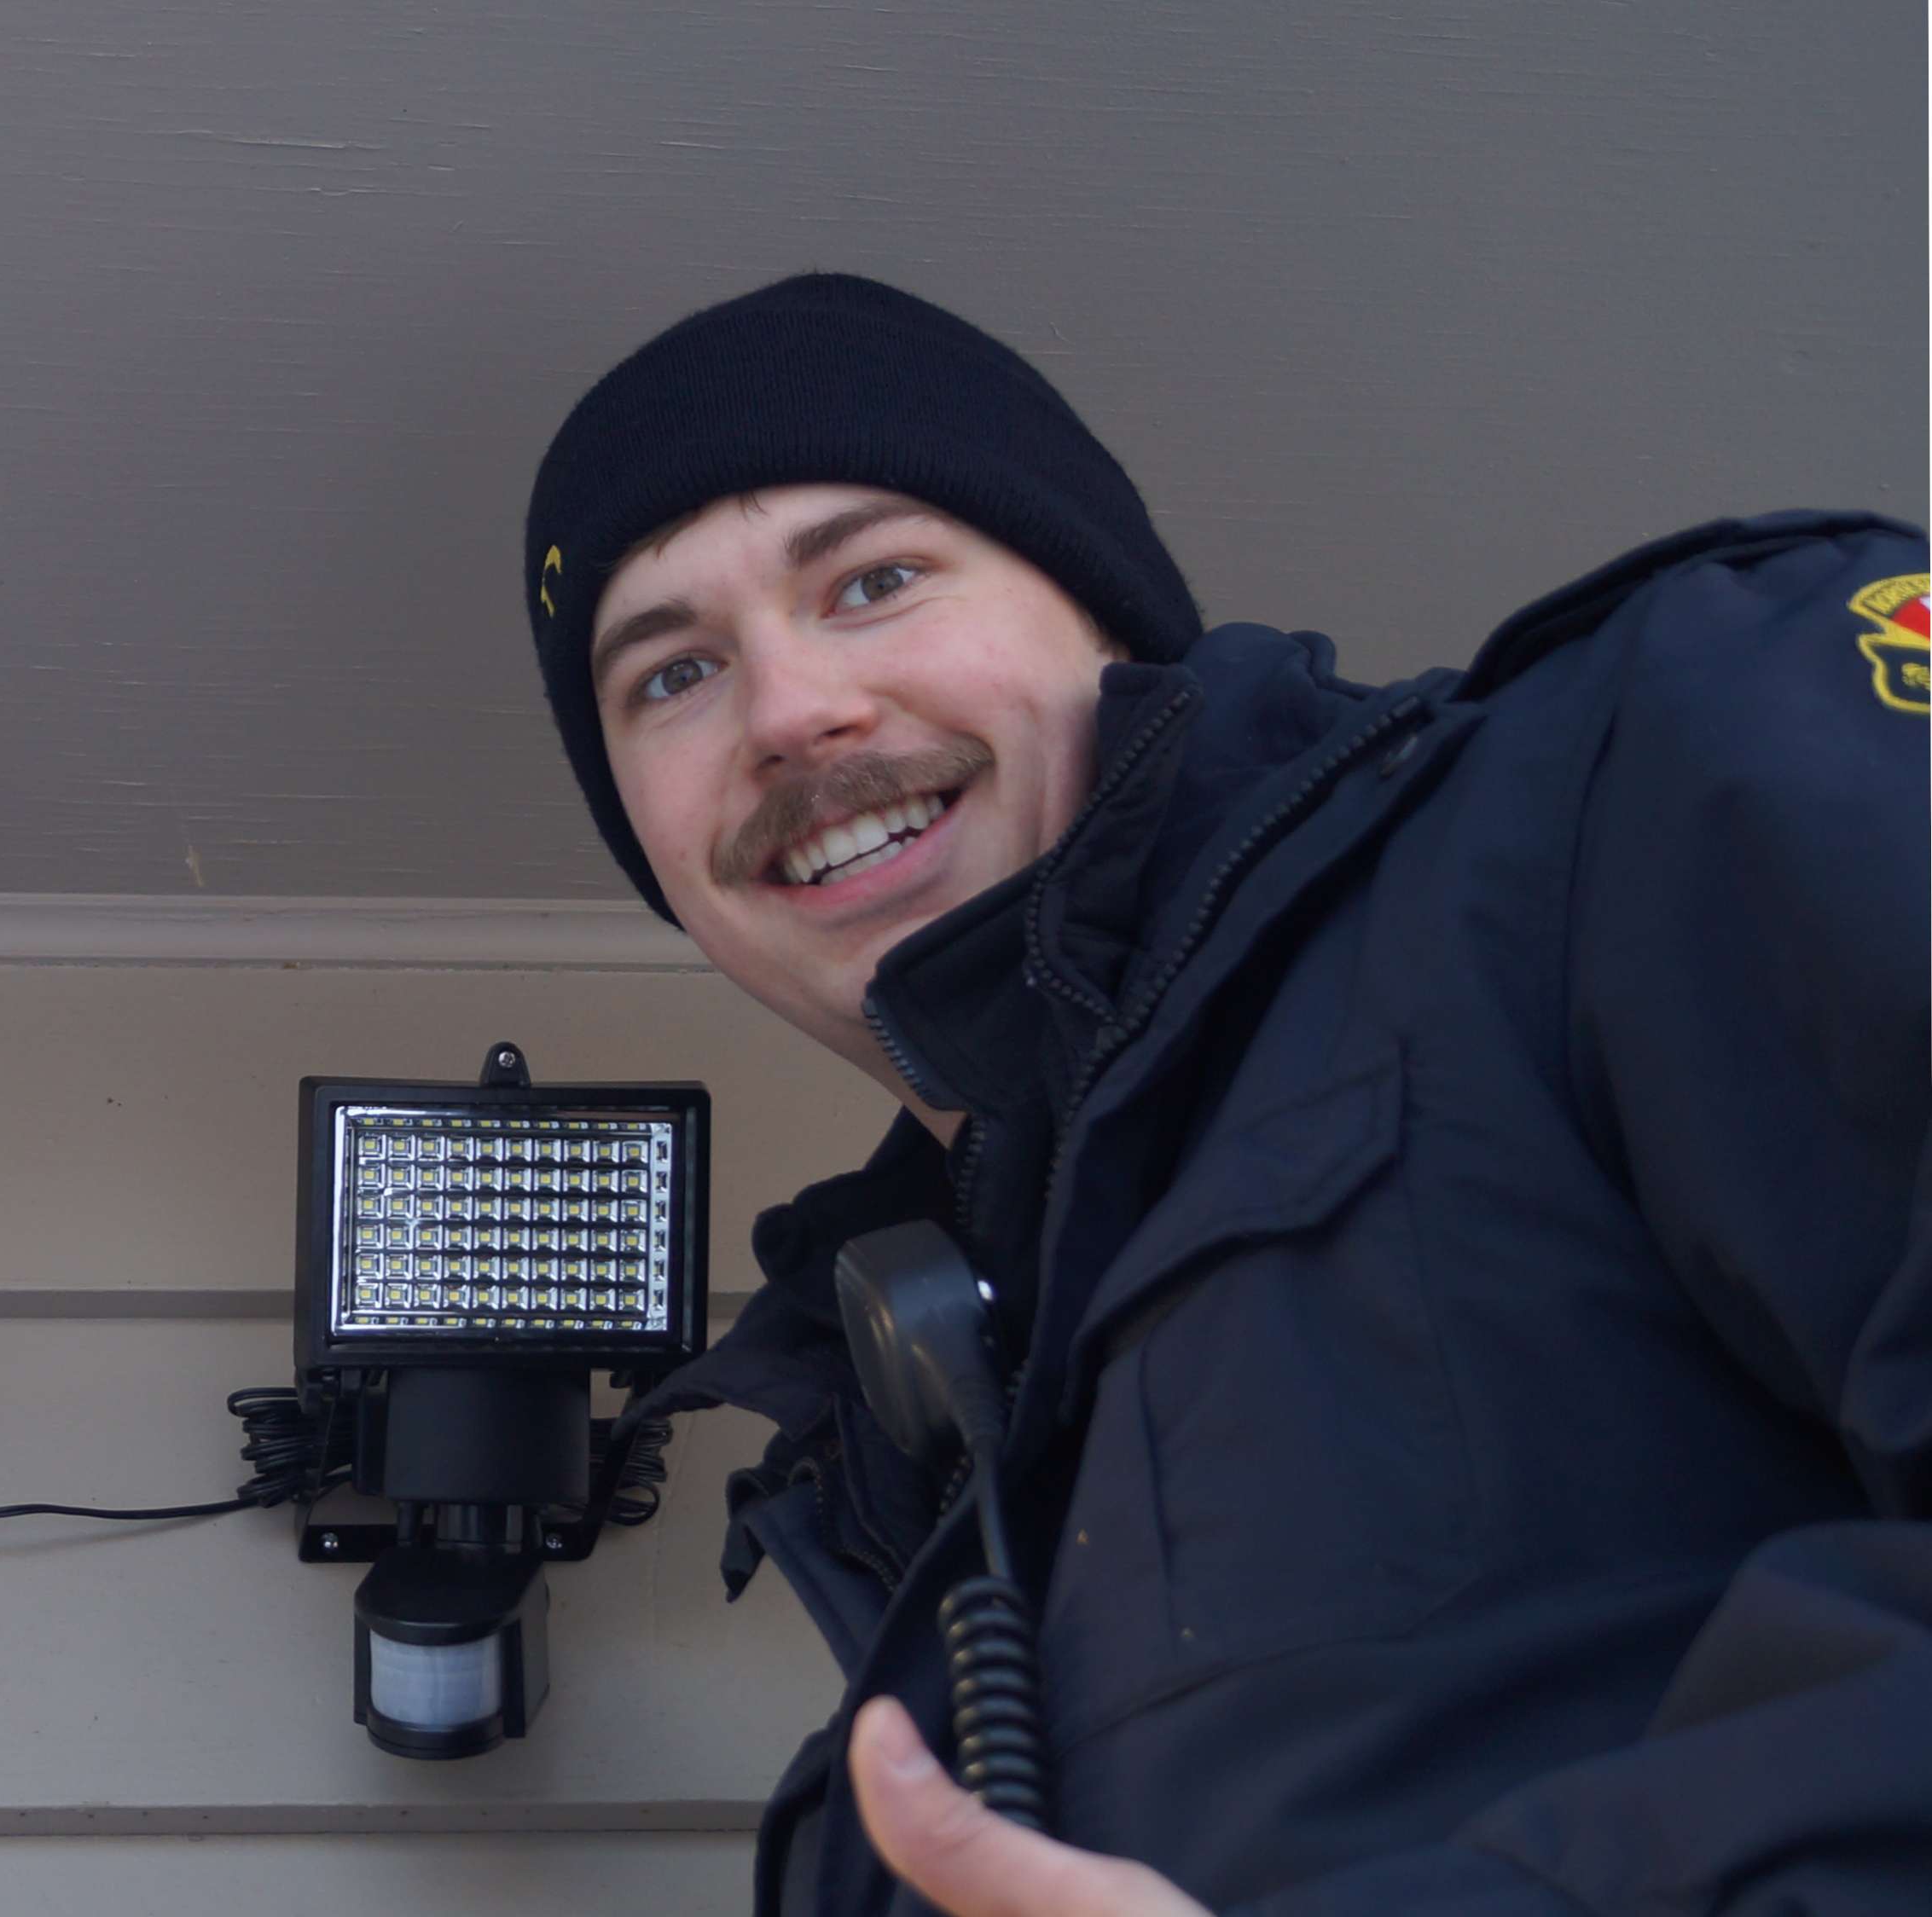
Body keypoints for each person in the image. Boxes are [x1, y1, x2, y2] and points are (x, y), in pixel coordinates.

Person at [519, 272, 1930, 1915]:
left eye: (876, 577)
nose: (789, 713)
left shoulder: (1657, 749)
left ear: (1108, 611)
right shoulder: (906, 1424)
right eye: (668, 676)